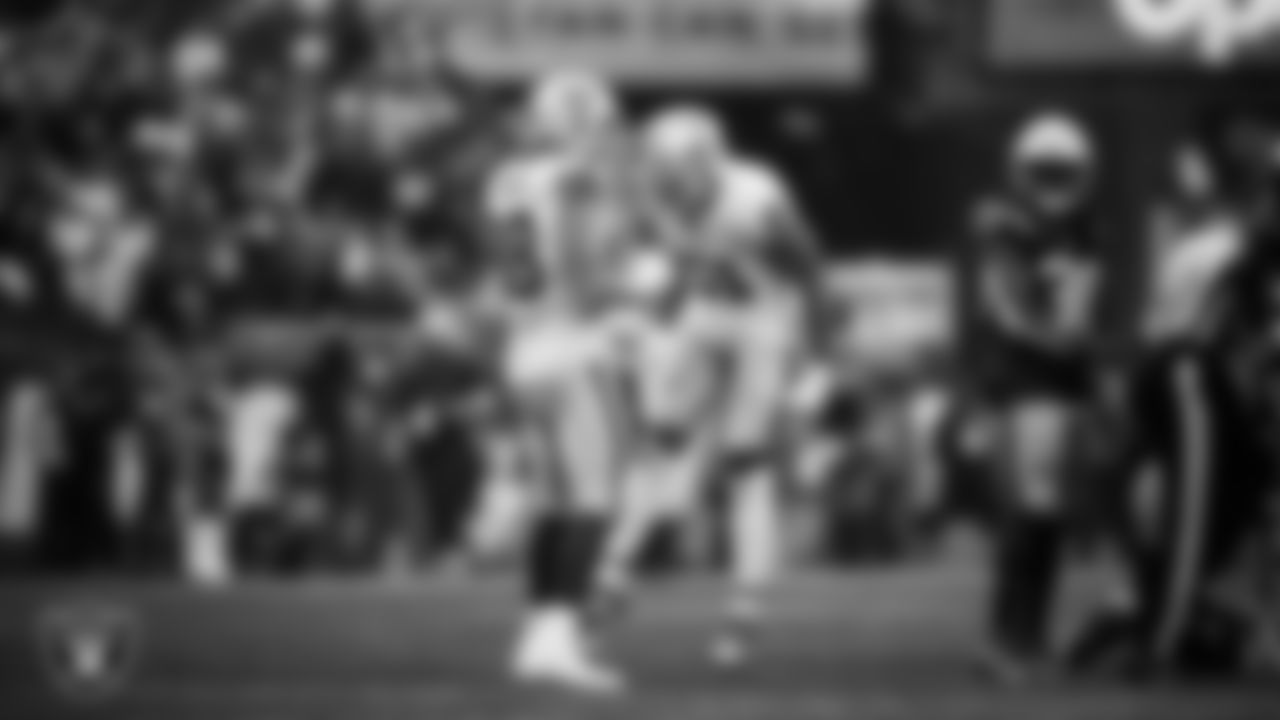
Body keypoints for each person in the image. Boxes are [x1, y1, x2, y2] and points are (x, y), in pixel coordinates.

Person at [1072, 125, 1280, 677]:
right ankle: (1158, 633)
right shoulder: (1225, 255)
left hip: (1216, 400)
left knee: (1229, 511)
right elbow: (1183, 344)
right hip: (1191, 382)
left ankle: (1145, 613)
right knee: (1192, 510)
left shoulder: (1233, 251)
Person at [637, 105, 827, 668]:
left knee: (746, 457)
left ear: (706, 159)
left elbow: (809, 265)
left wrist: (810, 347)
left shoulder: (753, 196)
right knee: (662, 430)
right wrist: (658, 312)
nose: (667, 176)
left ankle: (746, 602)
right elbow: (684, 271)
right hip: (708, 312)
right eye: (661, 165)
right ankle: (643, 545)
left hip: (765, 317)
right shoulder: (659, 197)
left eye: (675, 165)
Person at [482, 69, 640, 695]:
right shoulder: (576, 177)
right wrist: (623, 300)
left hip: (525, 345)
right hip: (572, 344)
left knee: (555, 501)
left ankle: (537, 638)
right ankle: (558, 639)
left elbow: (515, 268)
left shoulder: (507, 177)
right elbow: (579, 263)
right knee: (593, 501)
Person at [971, 112, 1104, 682]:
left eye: (1060, 171)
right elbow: (1006, 308)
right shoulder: (1011, 231)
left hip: (1057, 379)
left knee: (1047, 512)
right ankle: (1012, 639)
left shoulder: (1072, 231)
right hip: (1031, 380)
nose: (1052, 183)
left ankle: (1024, 636)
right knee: (1034, 508)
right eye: (1042, 171)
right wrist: (1060, 339)